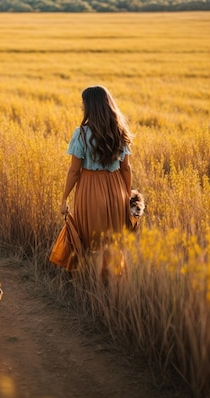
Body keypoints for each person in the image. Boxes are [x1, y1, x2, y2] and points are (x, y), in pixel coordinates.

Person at [59, 85, 132, 279]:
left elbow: (74, 171)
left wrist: (64, 198)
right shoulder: (119, 131)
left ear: (91, 106)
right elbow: (126, 168)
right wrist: (126, 195)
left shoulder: (82, 133)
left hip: (90, 190)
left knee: (90, 241)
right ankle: (115, 282)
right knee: (114, 242)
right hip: (117, 189)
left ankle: (92, 282)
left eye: (83, 104)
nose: (81, 107)